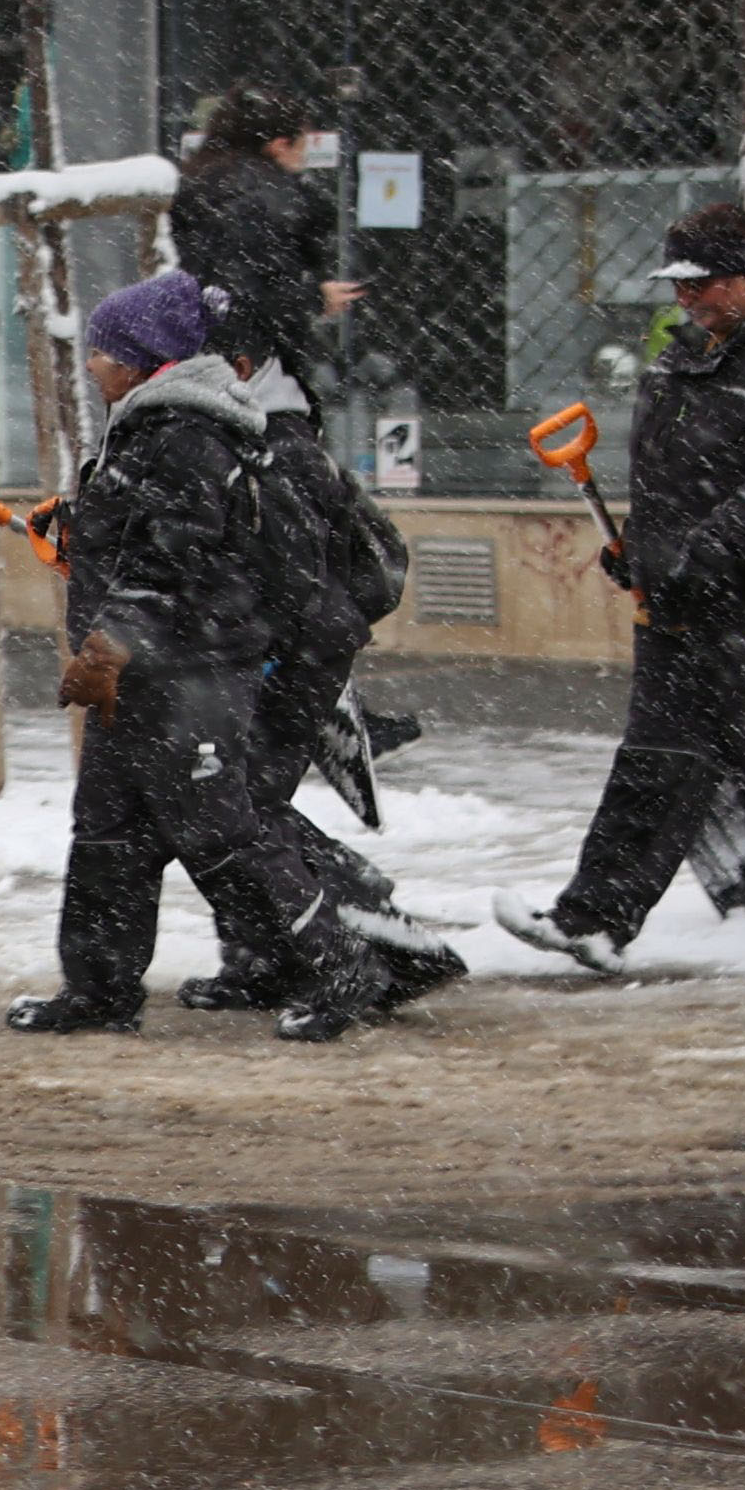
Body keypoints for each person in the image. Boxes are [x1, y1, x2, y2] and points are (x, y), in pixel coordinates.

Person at [498, 204, 745, 975]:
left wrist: (693, 556)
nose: (685, 300)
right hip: (683, 603)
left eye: (700, 285)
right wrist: (640, 550)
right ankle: (592, 920)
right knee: (657, 760)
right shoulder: (685, 358)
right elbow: (676, 481)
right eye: (678, 285)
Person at [17, 272, 389, 1042]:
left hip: (193, 674)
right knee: (106, 830)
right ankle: (99, 990)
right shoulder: (150, 425)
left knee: (227, 830)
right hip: (147, 673)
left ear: (144, 357)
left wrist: (106, 645)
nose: (91, 364)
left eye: (101, 351)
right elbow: (144, 537)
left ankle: (341, 967)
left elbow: (172, 560)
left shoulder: (183, 431)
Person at [191, 354, 460, 1018]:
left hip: (284, 660)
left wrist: (275, 649)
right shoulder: (244, 435)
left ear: (245, 367)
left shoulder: (276, 447)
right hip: (260, 654)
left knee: (241, 809)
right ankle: (265, 955)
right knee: (218, 810)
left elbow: (297, 571)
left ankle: (366, 928)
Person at [169, 87, 360, 409]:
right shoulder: (268, 199)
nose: (305, 156)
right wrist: (315, 296)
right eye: (302, 144)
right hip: (253, 369)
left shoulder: (197, 185)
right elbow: (247, 289)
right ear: (278, 146)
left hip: (190, 359)